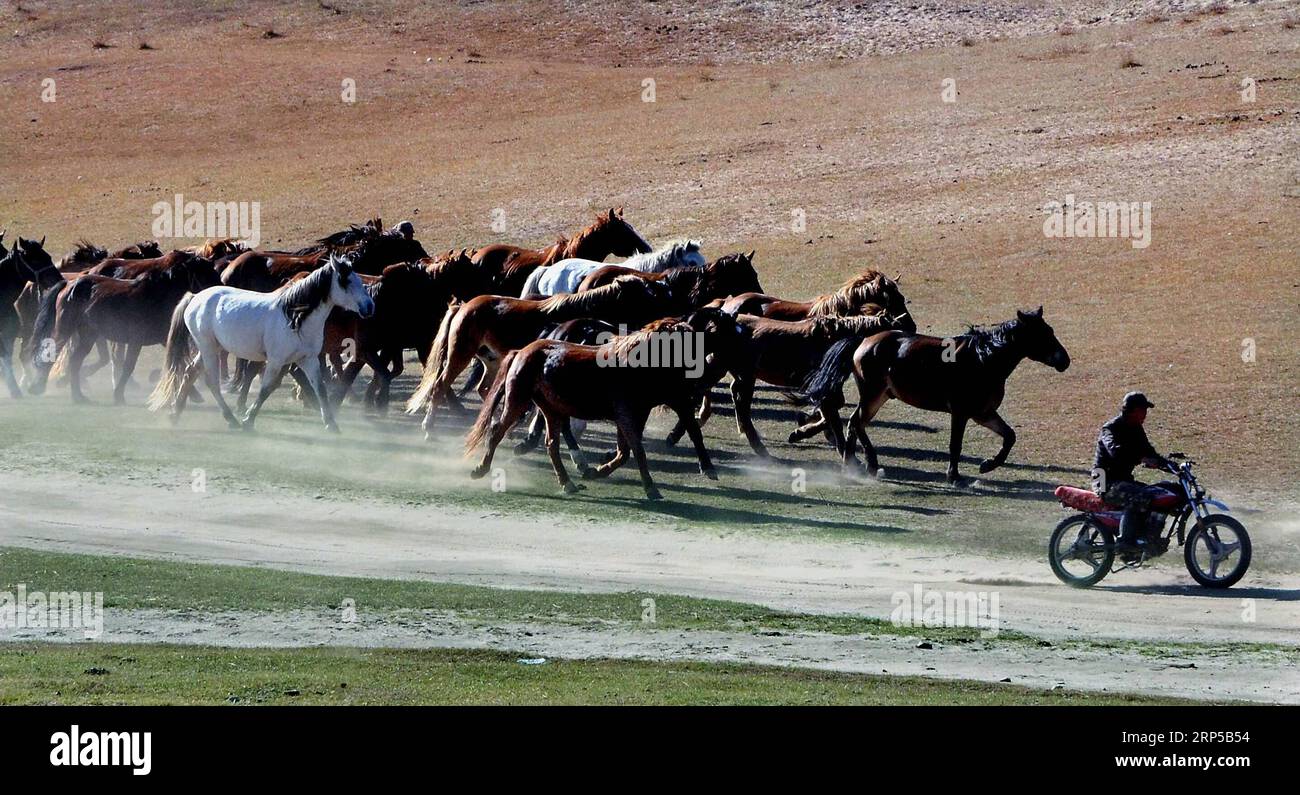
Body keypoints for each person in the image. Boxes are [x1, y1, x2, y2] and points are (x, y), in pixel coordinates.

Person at [1093, 392, 1172, 554]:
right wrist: (1141, 458)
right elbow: (1115, 451)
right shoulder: (1110, 428)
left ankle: (1144, 538)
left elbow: (1150, 453)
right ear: (1132, 410)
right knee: (1140, 496)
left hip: (1122, 480)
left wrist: (1172, 466)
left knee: (1156, 494)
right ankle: (1125, 542)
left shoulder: (1136, 429)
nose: (1145, 414)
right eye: (1143, 410)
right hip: (1103, 480)